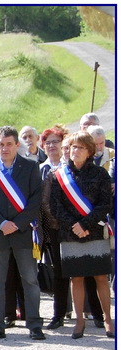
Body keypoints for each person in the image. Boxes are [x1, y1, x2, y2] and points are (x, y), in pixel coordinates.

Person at [0, 126, 45, 341]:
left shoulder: (31, 167)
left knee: (30, 281)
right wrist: (2, 223)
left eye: (9, 144)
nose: (4, 148)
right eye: (1, 144)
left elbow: (36, 199)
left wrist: (18, 223)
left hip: (23, 232)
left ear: (17, 145)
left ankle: (34, 324)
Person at [49, 130, 115, 339]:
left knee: (100, 278)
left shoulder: (100, 174)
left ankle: (107, 319)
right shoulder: (58, 176)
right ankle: (79, 321)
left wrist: (85, 224)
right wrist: (75, 226)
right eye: (71, 147)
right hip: (70, 234)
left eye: (79, 147)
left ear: (89, 151)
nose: (74, 151)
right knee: (76, 279)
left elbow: (105, 203)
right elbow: (56, 206)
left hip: (94, 231)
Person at [39, 126, 72, 330]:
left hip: (69, 227)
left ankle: (91, 311)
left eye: (55, 142)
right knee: (56, 271)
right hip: (47, 229)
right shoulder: (39, 169)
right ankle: (59, 314)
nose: (51, 145)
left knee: (77, 271)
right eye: (48, 142)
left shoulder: (70, 168)